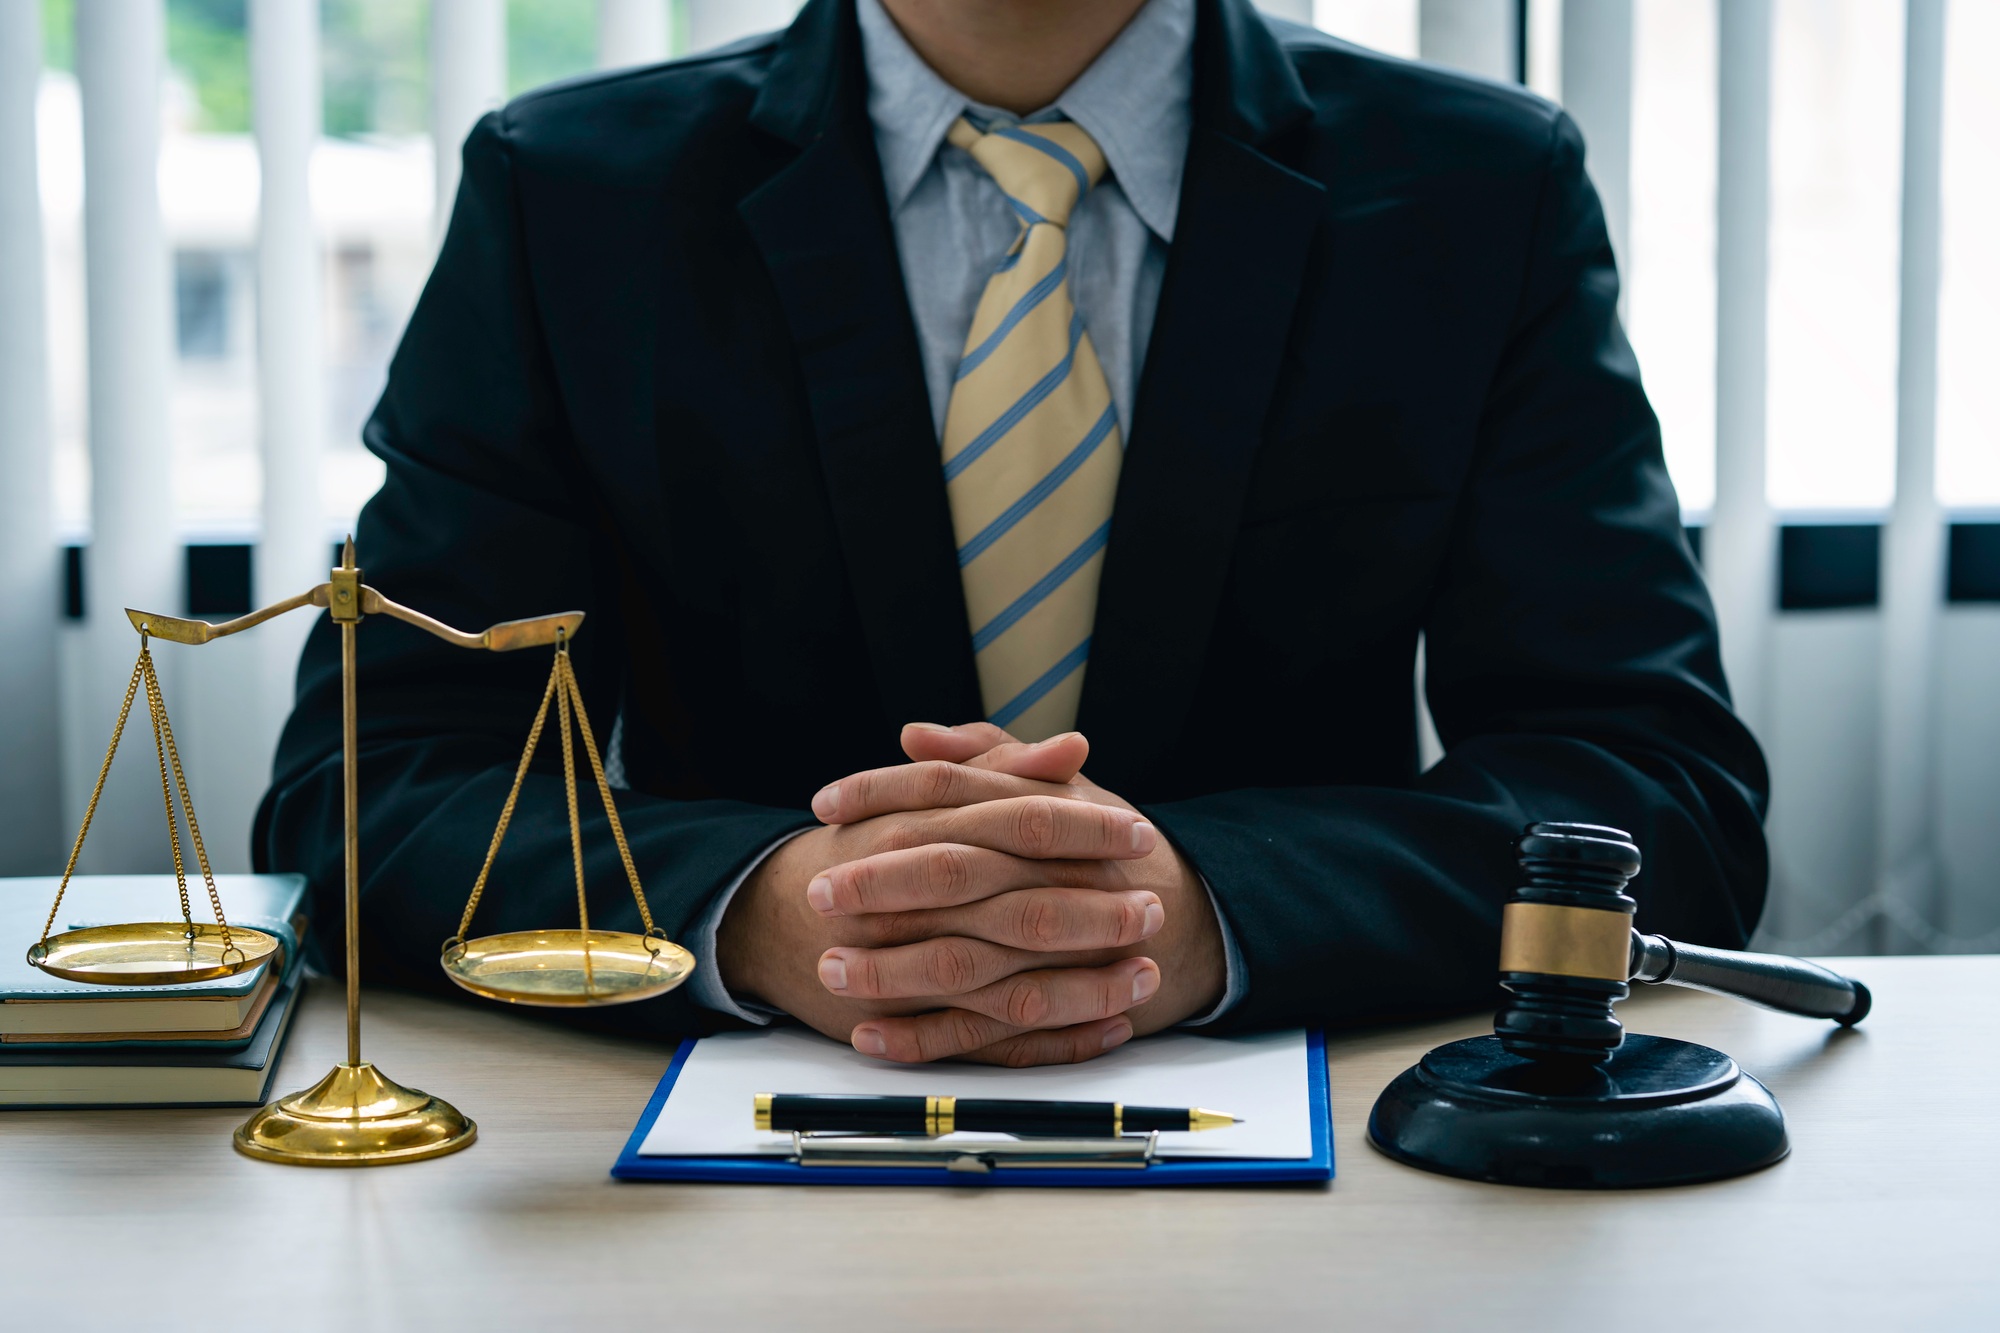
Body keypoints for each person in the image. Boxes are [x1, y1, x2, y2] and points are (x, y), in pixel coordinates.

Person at [255, 0, 1769, 1067]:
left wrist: (1209, 910)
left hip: (1330, 1173)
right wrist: (775, 910)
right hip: (721, 1169)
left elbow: (1656, 785)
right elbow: (370, 786)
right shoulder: (574, 196)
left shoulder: (1475, 189)